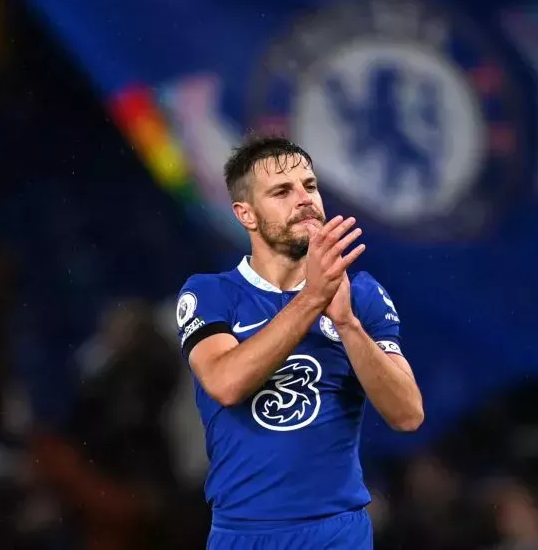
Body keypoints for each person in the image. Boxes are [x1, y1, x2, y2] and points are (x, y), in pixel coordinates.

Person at [175, 134, 424, 549]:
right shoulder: (211, 294)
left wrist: (346, 324)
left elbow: (408, 414)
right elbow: (225, 382)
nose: (304, 199)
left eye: (309, 186)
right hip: (244, 535)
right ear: (246, 214)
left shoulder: (360, 294)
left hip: (336, 532)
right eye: (282, 192)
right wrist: (313, 299)